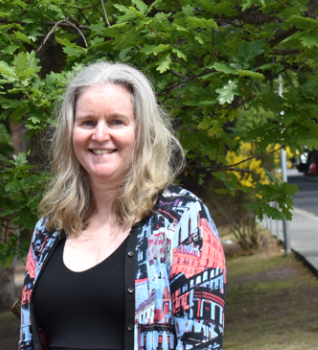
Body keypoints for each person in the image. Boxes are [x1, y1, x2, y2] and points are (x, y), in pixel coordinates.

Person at [18, 62, 226, 350]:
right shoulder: (50, 228)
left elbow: (202, 344)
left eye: (116, 121)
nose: (100, 135)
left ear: (141, 132)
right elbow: (28, 341)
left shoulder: (182, 219)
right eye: (87, 122)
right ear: (70, 131)